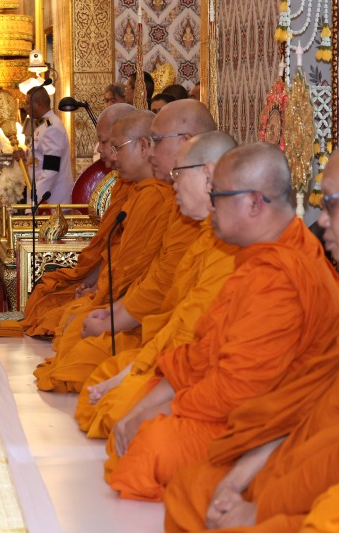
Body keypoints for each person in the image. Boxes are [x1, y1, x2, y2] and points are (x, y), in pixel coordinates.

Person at [163, 135, 339, 531]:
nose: (322, 220)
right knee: (192, 488)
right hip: (314, 459)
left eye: (331, 203)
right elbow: (313, 407)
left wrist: (264, 507)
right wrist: (242, 478)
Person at [105, 142, 339, 502]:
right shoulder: (257, 259)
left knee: (152, 448)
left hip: (274, 424)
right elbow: (202, 352)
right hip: (238, 406)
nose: (211, 205)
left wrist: (162, 411)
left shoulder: (279, 275)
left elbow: (239, 388)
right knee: (136, 420)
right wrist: (145, 409)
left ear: (253, 203)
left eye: (217, 196)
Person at [33, 99, 216, 393]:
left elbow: (168, 291)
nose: (151, 151)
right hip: (158, 324)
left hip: (171, 334)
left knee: (82, 360)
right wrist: (109, 308)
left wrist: (114, 319)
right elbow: (150, 273)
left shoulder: (179, 206)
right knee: (73, 338)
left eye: (157, 141)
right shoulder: (173, 202)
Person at [75, 131, 239, 439]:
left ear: (208, 175)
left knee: (123, 418)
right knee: (100, 392)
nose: (174, 183)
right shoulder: (206, 236)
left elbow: (193, 339)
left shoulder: (230, 248)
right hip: (172, 356)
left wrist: (138, 376)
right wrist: (134, 365)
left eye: (179, 174)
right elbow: (175, 315)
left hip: (209, 377)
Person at [21, 103, 135, 336]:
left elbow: (133, 263)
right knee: (45, 298)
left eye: (104, 142)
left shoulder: (53, 128)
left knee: (65, 322)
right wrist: (92, 284)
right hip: (109, 284)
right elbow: (109, 248)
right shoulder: (124, 187)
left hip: (126, 296)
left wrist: (99, 290)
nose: (99, 149)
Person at [17, 85, 73, 205]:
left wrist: (36, 199)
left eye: (28, 103)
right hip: (43, 197)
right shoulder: (43, 126)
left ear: (39, 104)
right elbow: (39, 159)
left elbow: (50, 169)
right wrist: (25, 157)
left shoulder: (52, 128)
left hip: (51, 201)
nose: (25, 107)